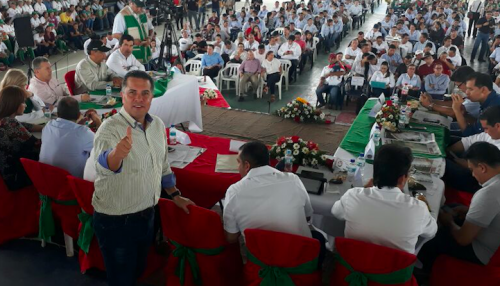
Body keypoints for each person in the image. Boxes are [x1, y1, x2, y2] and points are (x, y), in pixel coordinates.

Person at [92, 70, 194, 286]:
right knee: (121, 279)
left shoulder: (157, 124)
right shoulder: (109, 129)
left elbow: (162, 164)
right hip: (117, 221)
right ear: (122, 95)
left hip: (147, 214)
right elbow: (103, 166)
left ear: (152, 96)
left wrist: (175, 195)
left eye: (145, 93)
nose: (138, 98)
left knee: (138, 270)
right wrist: (116, 155)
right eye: (132, 92)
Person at [223, 141, 326, 266]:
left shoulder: (234, 191)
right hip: (299, 259)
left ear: (247, 165)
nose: (237, 167)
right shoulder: (293, 180)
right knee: (318, 237)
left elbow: (231, 238)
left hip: (261, 260)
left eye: (238, 162)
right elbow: (307, 216)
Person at [332, 144, 437, 254]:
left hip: (352, 267)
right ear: (402, 179)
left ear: (375, 172)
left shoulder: (352, 196)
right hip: (394, 270)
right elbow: (431, 232)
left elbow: (335, 211)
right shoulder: (419, 209)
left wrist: (363, 190)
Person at [419, 142, 500, 270]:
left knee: (428, 236)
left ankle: (425, 271)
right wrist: (469, 211)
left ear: (482, 167)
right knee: (453, 207)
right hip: (492, 236)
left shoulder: (488, 194)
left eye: (472, 170)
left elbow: (463, 239)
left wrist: (449, 223)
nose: (472, 175)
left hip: (483, 253)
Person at [39, 97, 100, 178]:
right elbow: (103, 147)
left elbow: (68, 132)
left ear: (57, 114)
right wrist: (99, 123)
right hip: (72, 184)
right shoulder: (83, 132)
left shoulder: (48, 126)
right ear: (78, 115)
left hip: (45, 181)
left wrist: (78, 125)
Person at [445, 106, 500, 194]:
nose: (485, 131)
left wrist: (453, 159)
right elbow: (467, 141)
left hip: (480, 179)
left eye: (486, 128)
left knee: (444, 165)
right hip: (473, 164)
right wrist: (447, 150)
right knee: (446, 139)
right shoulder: (491, 134)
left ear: (498, 126)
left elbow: (482, 168)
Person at [0, 86, 42, 190]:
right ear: (15, 104)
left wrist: (47, 127)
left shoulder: (5, 120)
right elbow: (37, 144)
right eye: (23, 102)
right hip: (14, 176)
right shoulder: (10, 123)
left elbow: (26, 126)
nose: (25, 105)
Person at [453, 72, 500, 137]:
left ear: (483, 90)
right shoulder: (492, 99)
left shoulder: (493, 108)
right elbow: (478, 124)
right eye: (467, 89)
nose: (467, 92)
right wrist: (464, 114)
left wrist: (457, 110)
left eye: (470, 89)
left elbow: (469, 134)